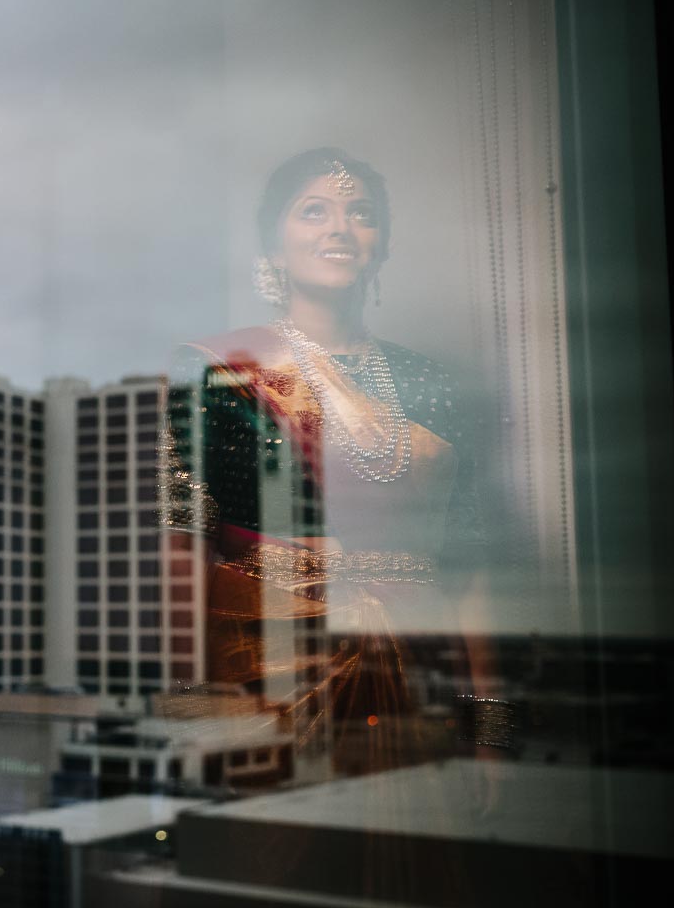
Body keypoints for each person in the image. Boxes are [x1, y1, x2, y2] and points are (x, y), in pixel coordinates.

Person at [159, 148, 495, 780]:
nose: (339, 227)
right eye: (314, 211)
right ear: (274, 248)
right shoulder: (219, 370)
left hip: (424, 678)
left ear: (382, 247)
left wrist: (491, 734)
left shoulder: (433, 383)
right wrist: (196, 713)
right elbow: (182, 553)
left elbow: (470, 569)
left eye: (360, 213)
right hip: (270, 680)